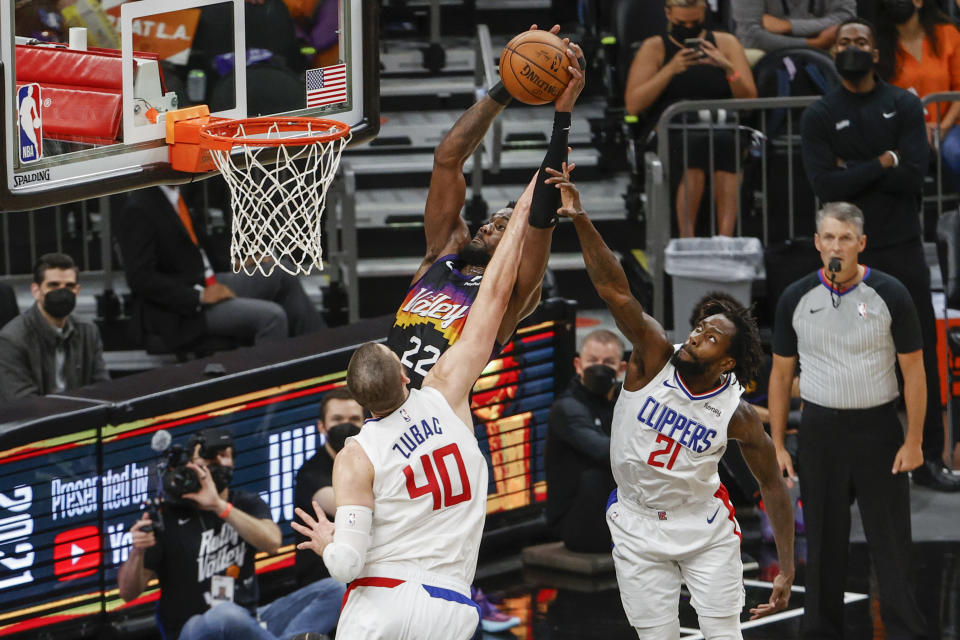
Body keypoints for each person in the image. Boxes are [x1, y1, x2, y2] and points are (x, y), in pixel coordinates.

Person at [547, 166, 795, 638]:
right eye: (700, 327)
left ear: (726, 364)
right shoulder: (653, 355)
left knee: (724, 633)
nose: (698, 335)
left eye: (711, 338)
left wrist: (785, 568)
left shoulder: (736, 413)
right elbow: (614, 289)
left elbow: (773, 485)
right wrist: (580, 218)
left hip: (701, 524)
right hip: (636, 521)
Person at [290, 173, 533, 640]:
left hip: (383, 600)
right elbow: (496, 295)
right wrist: (528, 203)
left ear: (357, 402)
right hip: (452, 607)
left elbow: (346, 564)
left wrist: (327, 543)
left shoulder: (357, 455)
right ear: (404, 375)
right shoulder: (445, 393)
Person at [800, 17, 960, 491]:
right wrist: (883, 161)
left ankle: (928, 457)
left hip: (902, 245)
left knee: (918, 357)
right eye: (844, 41)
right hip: (844, 258)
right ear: (834, 53)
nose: (852, 47)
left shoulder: (903, 104)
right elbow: (824, 186)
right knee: (849, 355)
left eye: (861, 41)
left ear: (875, 52)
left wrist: (856, 168)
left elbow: (914, 176)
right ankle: (858, 469)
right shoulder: (820, 114)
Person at [386, 25, 585, 388]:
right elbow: (448, 159)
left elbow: (540, 217)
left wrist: (563, 115)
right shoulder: (443, 254)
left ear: (516, 247)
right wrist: (508, 85)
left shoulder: (511, 295)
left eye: (501, 227)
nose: (486, 226)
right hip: (384, 412)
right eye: (492, 221)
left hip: (437, 420)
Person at [768, 201, 928, 639]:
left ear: (861, 243)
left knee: (892, 546)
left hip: (879, 431)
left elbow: (914, 370)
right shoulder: (795, 297)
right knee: (823, 547)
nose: (836, 245)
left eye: (845, 237)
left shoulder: (891, 293)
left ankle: (907, 632)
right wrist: (779, 444)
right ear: (817, 243)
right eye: (828, 237)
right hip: (821, 433)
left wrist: (914, 440)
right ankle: (821, 632)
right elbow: (781, 375)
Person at [118, 428, 345, 640]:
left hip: (250, 621)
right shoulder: (168, 516)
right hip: (193, 629)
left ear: (233, 462)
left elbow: (272, 542)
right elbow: (128, 593)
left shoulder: (245, 503)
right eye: (208, 457)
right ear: (191, 465)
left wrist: (219, 506)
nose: (217, 462)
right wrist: (137, 552)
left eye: (223, 455)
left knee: (334, 589)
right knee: (225, 614)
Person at [115, 185, 325, 353]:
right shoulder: (140, 208)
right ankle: (266, 398)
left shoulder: (174, 196)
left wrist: (236, 265)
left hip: (210, 281)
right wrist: (198, 296)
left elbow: (197, 253)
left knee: (280, 271)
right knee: (272, 317)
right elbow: (140, 278)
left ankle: (322, 353)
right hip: (181, 310)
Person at [624, 0, 757, 237]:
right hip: (672, 131)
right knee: (695, 146)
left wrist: (727, 68)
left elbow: (748, 97)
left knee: (728, 145)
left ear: (704, 13)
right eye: (681, 23)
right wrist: (670, 69)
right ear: (668, 14)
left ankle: (725, 238)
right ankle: (688, 238)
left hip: (721, 126)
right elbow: (633, 105)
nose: (688, 27)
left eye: (694, 23)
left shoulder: (726, 43)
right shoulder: (655, 47)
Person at [545, 329, 626, 553]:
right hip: (575, 523)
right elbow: (603, 452)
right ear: (578, 364)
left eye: (608, 362)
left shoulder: (625, 401)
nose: (599, 368)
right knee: (600, 474)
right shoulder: (568, 408)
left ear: (621, 369)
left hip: (616, 516)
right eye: (592, 361)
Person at [0, 252, 109, 400]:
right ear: (36, 290)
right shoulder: (12, 339)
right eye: (54, 285)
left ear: (77, 291)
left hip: (82, 418)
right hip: (38, 420)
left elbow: (102, 388)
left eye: (69, 286)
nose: (62, 292)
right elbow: (23, 401)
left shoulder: (88, 331)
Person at [876, 0, 960, 184]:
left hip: (952, 125)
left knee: (956, 152)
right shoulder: (879, 46)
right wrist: (916, 128)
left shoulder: (947, 34)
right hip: (904, 130)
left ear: (920, 2)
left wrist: (941, 128)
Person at [293, 387, 366, 587]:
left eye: (354, 420)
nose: (346, 426)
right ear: (322, 426)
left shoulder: (373, 460)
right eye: (337, 420)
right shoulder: (310, 473)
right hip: (325, 583)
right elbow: (345, 505)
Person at [733, 0, 856, 56]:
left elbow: (846, 19)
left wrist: (789, 26)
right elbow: (750, 37)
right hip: (767, 61)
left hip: (825, 59)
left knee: (852, 44)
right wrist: (815, 44)